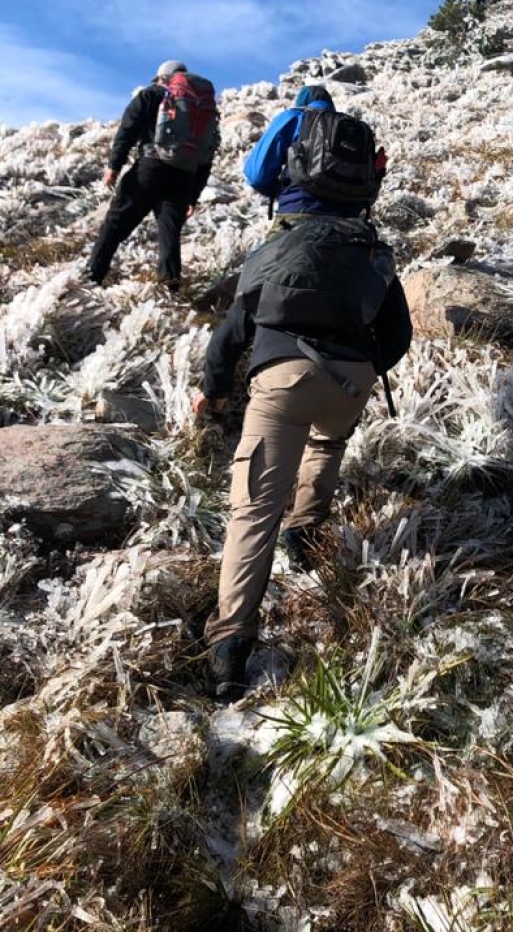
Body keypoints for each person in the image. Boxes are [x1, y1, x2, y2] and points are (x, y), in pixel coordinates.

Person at [191, 199, 412, 701]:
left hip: (281, 379)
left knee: (254, 509)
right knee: (328, 440)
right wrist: (364, 368)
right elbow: (399, 334)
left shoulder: (274, 250)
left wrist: (215, 390)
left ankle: (230, 646)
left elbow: (231, 333)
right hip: (350, 381)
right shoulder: (368, 253)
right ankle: (305, 529)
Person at [87, 60, 219, 287]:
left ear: (163, 78)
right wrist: (193, 196)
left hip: (151, 167)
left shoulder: (151, 94)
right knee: (169, 233)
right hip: (183, 175)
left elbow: (127, 130)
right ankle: (170, 284)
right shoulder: (200, 107)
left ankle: (92, 276)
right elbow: (207, 152)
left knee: (115, 223)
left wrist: (114, 166)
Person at [243, 83, 386, 217]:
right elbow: (369, 189)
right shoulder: (357, 131)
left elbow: (257, 176)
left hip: (299, 210)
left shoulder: (296, 116)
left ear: (302, 103)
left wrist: (280, 192)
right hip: (351, 220)